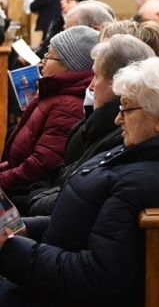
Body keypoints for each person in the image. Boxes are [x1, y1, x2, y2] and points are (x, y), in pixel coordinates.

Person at [0, 58, 159, 306]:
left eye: (126, 108)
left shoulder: (151, 180)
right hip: (44, 275)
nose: (117, 120)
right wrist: (20, 227)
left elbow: (96, 277)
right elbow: (81, 220)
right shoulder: (143, 152)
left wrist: (9, 249)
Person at [21, 35, 156, 217]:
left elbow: (73, 194)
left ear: (119, 83)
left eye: (97, 76)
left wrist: (26, 201)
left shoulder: (122, 133)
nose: (91, 86)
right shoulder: (101, 122)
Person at [0, 26, 99, 196]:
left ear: (69, 66)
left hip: (27, 193)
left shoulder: (69, 105)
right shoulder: (55, 91)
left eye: (49, 56)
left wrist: (3, 180)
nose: (42, 61)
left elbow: (43, 163)